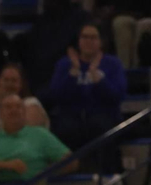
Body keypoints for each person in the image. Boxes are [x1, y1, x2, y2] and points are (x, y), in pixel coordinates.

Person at [46, 24, 125, 169]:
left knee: (101, 127)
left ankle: (107, 177)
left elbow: (118, 95)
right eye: (85, 37)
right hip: (71, 116)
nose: (89, 41)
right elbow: (55, 95)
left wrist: (99, 79)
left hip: (103, 115)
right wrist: (73, 73)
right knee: (64, 129)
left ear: (101, 41)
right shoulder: (65, 64)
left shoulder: (113, 64)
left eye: (93, 37)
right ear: (78, 41)